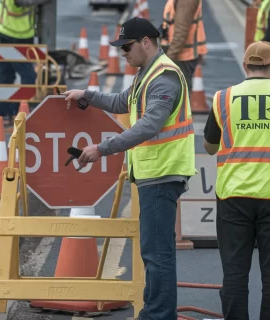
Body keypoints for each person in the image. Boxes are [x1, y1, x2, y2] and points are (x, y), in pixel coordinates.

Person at [61, 17, 197, 320]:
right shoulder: (146, 74)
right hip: (154, 172)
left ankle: (159, 315)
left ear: (146, 42)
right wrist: (88, 95)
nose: (123, 53)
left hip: (163, 172)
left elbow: (150, 124)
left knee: (157, 253)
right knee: (154, 250)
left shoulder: (164, 76)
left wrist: (101, 149)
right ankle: (157, 312)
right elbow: (124, 102)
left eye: (127, 46)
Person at [203, 41, 270, 320]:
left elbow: (210, 147)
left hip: (234, 195)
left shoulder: (223, 98)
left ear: (245, 65)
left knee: (235, 273)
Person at [0, 0, 50, 126]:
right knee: (29, 76)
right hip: (15, 34)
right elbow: (22, 2)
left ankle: (2, 113)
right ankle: (16, 111)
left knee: (6, 75)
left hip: (12, 31)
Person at [160, 0, 208, 92]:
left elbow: (181, 33)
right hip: (178, 55)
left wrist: (168, 61)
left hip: (180, 57)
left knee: (177, 98)